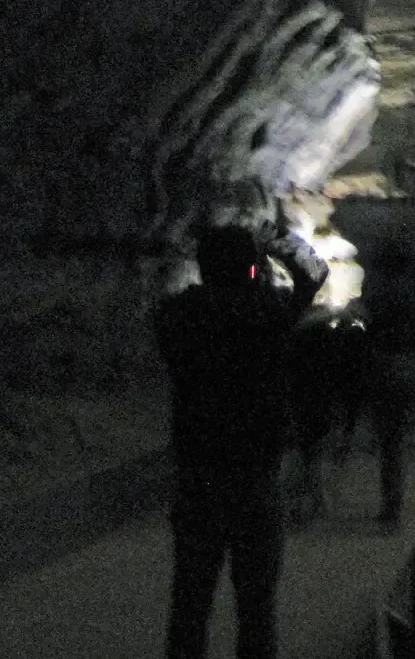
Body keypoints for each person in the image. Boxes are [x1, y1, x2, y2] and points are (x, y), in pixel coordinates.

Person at [154, 222, 327, 659]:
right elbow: (315, 272)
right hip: (255, 477)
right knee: (256, 608)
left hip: (197, 477)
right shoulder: (267, 310)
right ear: (253, 267)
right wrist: (279, 241)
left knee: (190, 605)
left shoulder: (177, 314)